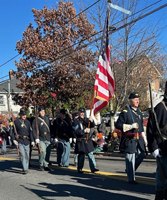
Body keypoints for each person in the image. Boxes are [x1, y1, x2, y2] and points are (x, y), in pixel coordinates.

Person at [115, 92, 145, 184]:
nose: (137, 101)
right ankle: (131, 178)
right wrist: (130, 126)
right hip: (129, 138)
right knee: (130, 158)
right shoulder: (126, 112)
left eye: (138, 100)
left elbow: (141, 128)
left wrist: (145, 139)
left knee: (142, 154)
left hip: (138, 138)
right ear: (131, 101)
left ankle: (130, 169)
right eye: (135, 100)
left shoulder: (139, 112)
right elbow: (118, 125)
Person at [147, 82, 167, 200]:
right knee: (162, 181)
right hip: (164, 149)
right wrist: (154, 147)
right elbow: (151, 129)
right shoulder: (160, 107)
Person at [73, 107, 99, 173]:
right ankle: (80, 168)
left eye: (83, 112)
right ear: (78, 113)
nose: (82, 114)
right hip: (81, 140)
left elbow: (92, 126)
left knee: (90, 153)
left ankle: (93, 167)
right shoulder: (76, 121)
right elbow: (75, 131)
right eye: (80, 112)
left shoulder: (87, 120)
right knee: (81, 155)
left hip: (88, 139)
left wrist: (92, 121)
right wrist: (83, 131)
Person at [12, 108, 34, 174]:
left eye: (25, 114)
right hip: (20, 140)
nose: (24, 116)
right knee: (22, 155)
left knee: (27, 155)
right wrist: (13, 139)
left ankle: (26, 166)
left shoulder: (28, 122)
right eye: (22, 114)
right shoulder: (16, 122)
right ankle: (25, 169)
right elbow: (13, 132)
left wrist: (32, 140)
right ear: (20, 115)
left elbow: (30, 132)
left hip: (27, 140)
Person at [32, 106, 52, 171]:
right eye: (41, 111)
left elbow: (50, 128)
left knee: (48, 152)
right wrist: (36, 138)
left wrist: (52, 137)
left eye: (43, 111)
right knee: (42, 151)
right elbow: (34, 130)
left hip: (48, 137)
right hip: (41, 138)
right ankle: (41, 164)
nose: (43, 112)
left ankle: (46, 165)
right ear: (39, 112)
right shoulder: (36, 120)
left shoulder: (47, 119)